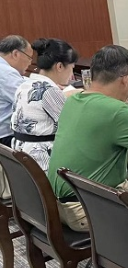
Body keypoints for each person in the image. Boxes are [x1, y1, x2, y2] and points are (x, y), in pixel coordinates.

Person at [47, 45, 128, 231]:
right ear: (126, 79)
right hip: (86, 209)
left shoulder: (73, 100)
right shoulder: (117, 110)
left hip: (59, 203)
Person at [11, 38, 78, 173]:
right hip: (43, 162)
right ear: (59, 66)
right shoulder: (49, 91)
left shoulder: (24, 84)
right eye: (72, 68)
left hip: (22, 157)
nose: (71, 75)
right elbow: (74, 127)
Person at [0, 35, 32, 147]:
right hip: (5, 138)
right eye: (29, 58)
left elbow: (22, 81)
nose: (30, 63)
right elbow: (30, 100)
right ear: (15, 54)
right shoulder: (7, 73)